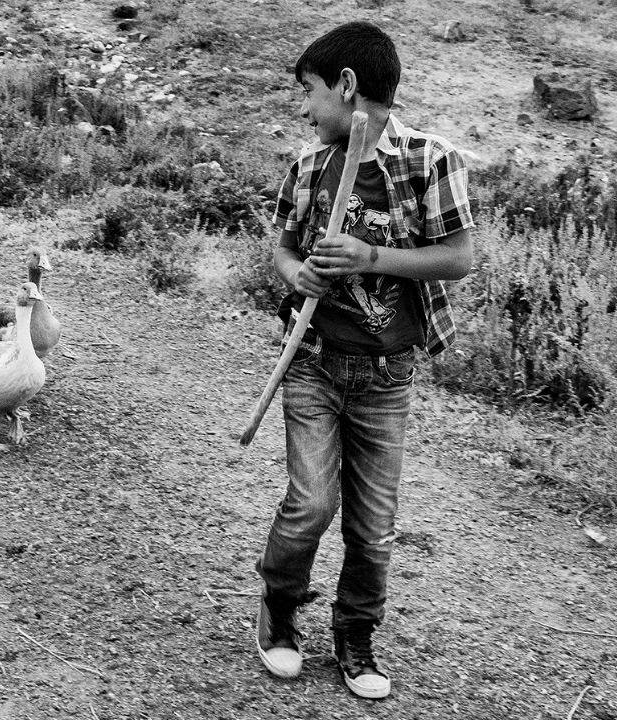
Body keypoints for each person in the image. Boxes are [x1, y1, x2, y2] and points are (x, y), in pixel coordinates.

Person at [255, 21, 475, 700]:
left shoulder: (431, 161)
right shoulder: (309, 165)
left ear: (348, 87)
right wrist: (297, 276)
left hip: (388, 377)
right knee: (310, 504)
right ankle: (280, 609)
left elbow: (460, 257)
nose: (303, 108)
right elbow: (284, 249)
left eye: (310, 92)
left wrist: (371, 257)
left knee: (374, 526)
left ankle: (356, 633)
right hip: (315, 364)